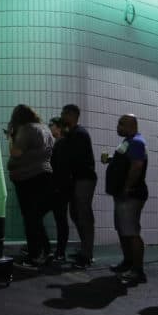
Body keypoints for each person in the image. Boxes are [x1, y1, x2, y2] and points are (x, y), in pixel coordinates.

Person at [6, 104, 54, 269]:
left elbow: (16, 153)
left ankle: (34, 257)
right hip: (43, 176)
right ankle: (44, 251)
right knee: (35, 217)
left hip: (28, 178)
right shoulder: (44, 128)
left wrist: (11, 137)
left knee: (30, 218)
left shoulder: (26, 130)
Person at [105, 114, 149, 285]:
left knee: (131, 232)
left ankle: (138, 271)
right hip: (122, 194)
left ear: (132, 125)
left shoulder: (137, 141)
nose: (118, 126)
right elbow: (126, 161)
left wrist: (127, 187)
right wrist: (112, 160)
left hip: (130, 194)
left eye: (122, 124)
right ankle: (128, 263)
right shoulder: (128, 141)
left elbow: (137, 166)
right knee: (123, 230)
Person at [61, 103, 97, 268]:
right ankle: (85, 250)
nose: (62, 117)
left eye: (64, 114)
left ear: (71, 115)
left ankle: (87, 254)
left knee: (83, 215)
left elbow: (72, 158)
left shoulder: (79, 134)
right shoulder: (74, 133)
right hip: (79, 179)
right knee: (76, 213)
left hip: (84, 179)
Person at [49, 116, 72, 262]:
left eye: (51, 125)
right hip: (60, 186)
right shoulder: (59, 142)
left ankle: (60, 252)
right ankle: (59, 251)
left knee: (61, 219)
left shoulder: (62, 143)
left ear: (58, 127)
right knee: (61, 219)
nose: (49, 128)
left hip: (60, 187)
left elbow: (61, 168)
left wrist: (57, 186)